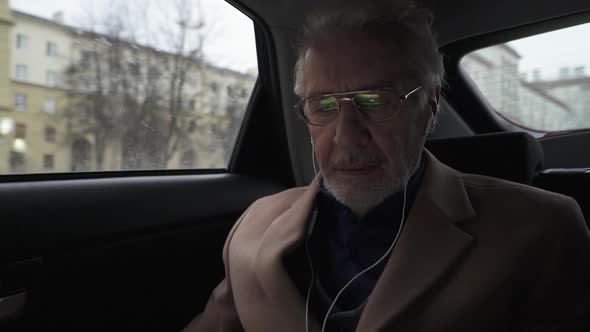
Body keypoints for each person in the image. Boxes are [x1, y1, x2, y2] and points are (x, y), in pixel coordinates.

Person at [183, 0, 590, 331]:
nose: (346, 134)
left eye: (376, 101)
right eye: (323, 105)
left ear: (428, 108)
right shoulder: (255, 224)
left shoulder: (542, 228)